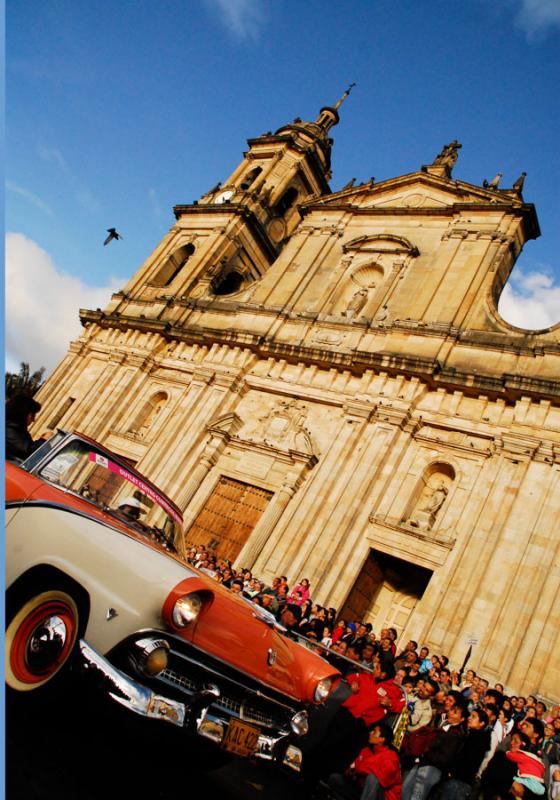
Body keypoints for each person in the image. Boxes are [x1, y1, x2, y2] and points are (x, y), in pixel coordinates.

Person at [327, 722, 402, 800]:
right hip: (363, 791)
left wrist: (358, 768)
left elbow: (383, 779)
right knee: (335, 779)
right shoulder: (366, 751)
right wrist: (351, 772)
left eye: (374, 732)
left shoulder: (391, 756)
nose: (370, 733)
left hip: (383, 797)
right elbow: (352, 769)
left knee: (373, 778)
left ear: (382, 739)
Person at [5, 394, 44, 461]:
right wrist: (43, 440)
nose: (33, 420)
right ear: (24, 412)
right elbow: (29, 454)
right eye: (32, 415)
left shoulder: (17, 429)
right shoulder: (9, 429)